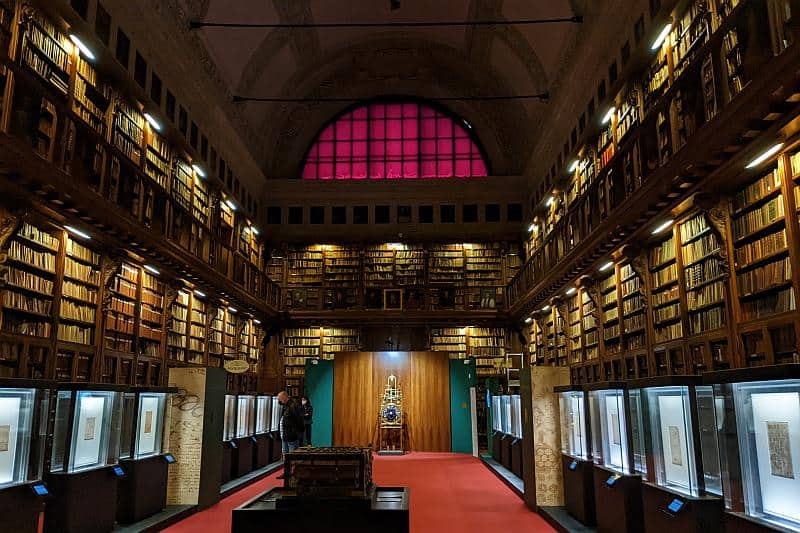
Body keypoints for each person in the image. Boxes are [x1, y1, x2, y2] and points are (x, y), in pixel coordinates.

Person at [276, 391, 303, 479]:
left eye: (279, 399)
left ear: (284, 397)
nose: (279, 401)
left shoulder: (293, 406)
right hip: (285, 435)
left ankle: (294, 473)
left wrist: (297, 433)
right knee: (286, 455)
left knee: (293, 455)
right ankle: (287, 473)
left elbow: (299, 420)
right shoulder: (286, 406)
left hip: (291, 436)